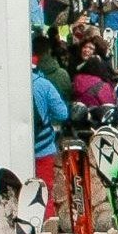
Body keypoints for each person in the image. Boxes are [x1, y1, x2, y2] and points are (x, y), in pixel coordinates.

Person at [31, 58, 72, 194]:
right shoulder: (43, 84)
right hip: (42, 148)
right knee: (43, 193)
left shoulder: (6, 85)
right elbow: (62, 114)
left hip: (13, 150)